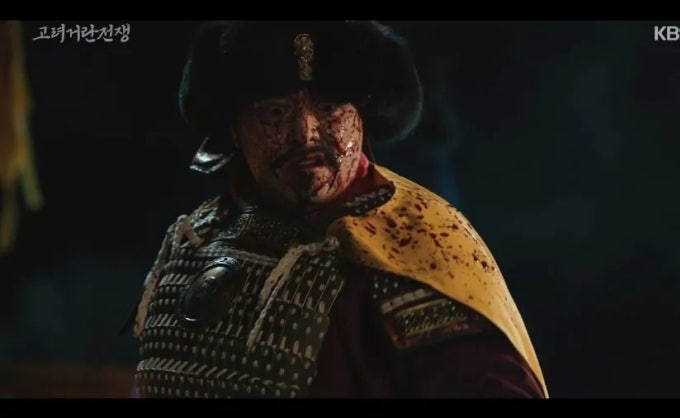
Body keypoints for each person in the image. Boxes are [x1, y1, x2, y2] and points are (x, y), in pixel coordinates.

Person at [127, 20, 548, 398]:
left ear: (362, 117)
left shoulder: (415, 243)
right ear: (234, 131)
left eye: (329, 108)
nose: (305, 133)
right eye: (274, 112)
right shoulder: (197, 236)